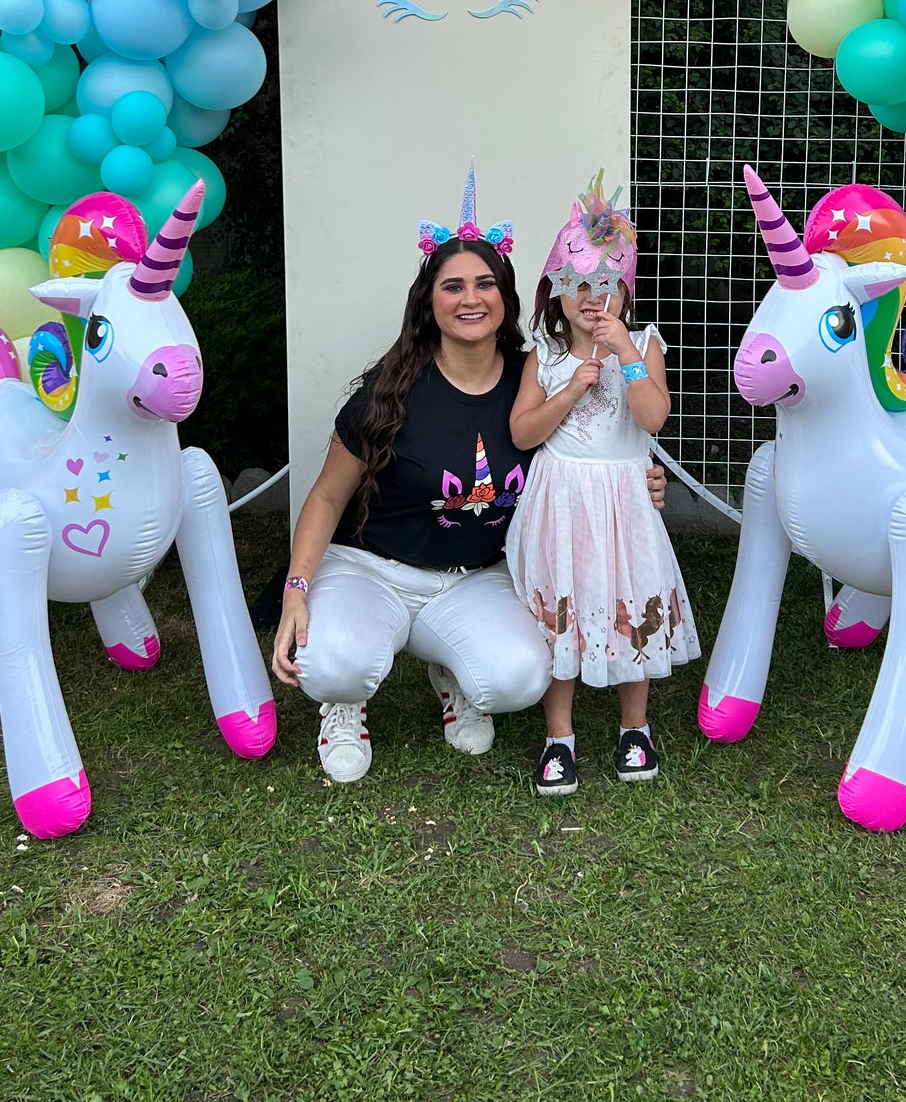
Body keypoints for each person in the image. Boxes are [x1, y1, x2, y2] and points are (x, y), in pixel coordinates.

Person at [269, 164, 668, 784]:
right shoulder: (391, 390)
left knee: (520, 677)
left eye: (485, 284)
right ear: (429, 300)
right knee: (330, 662)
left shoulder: (536, 375)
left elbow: (588, 453)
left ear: (507, 296)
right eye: (453, 286)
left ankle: (451, 668)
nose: (471, 298)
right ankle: (344, 703)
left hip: (474, 579)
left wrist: (641, 482)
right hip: (374, 568)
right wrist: (297, 589)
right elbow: (325, 497)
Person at [506, 174, 699, 796]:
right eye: (578, 285)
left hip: (623, 501)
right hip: (561, 500)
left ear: (625, 290)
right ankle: (559, 735)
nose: (592, 299)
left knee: (626, 597)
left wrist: (627, 358)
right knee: (564, 603)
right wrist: (570, 389)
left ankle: (633, 727)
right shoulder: (546, 351)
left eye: (606, 286)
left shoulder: (643, 343)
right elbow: (521, 432)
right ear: (555, 289)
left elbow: (652, 418)